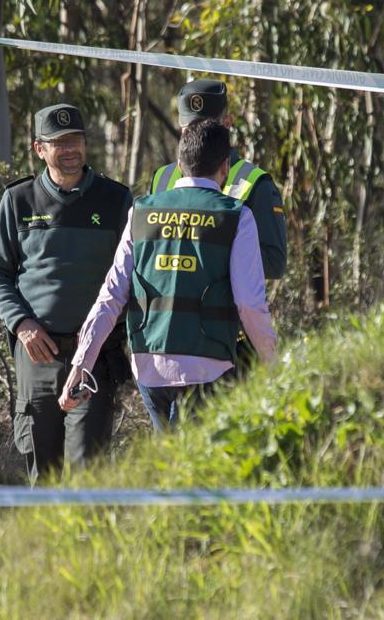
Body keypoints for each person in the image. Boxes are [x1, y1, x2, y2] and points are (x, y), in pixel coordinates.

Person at [61, 118, 276, 431]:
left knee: (169, 466)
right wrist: (272, 363)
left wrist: (81, 365)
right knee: (201, 469)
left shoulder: (142, 211)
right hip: (209, 366)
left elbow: (111, 296)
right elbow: (249, 303)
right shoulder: (237, 216)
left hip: (150, 366)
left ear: (179, 164)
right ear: (225, 166)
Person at [0, 103, 132, 482]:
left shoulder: (116, 200)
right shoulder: (18, 201)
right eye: (59, 142)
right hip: (38, 357)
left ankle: (83, 542)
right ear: (39, 149)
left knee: (86, 470)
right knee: (42, 472)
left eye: (76, 140)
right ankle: (41, 543)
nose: (70, 149)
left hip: (95, 357)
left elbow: (134, 274)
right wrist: (22, 324)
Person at [149, 79, 287, 281]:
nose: (198, 137)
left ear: (228, 124)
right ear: (181, 130)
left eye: (208, 129)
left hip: (221, 308)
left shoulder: (256, 184)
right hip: (169, 307)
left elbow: (274, 263)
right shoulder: (162, 177)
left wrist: (212, 252)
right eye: (190, 129)